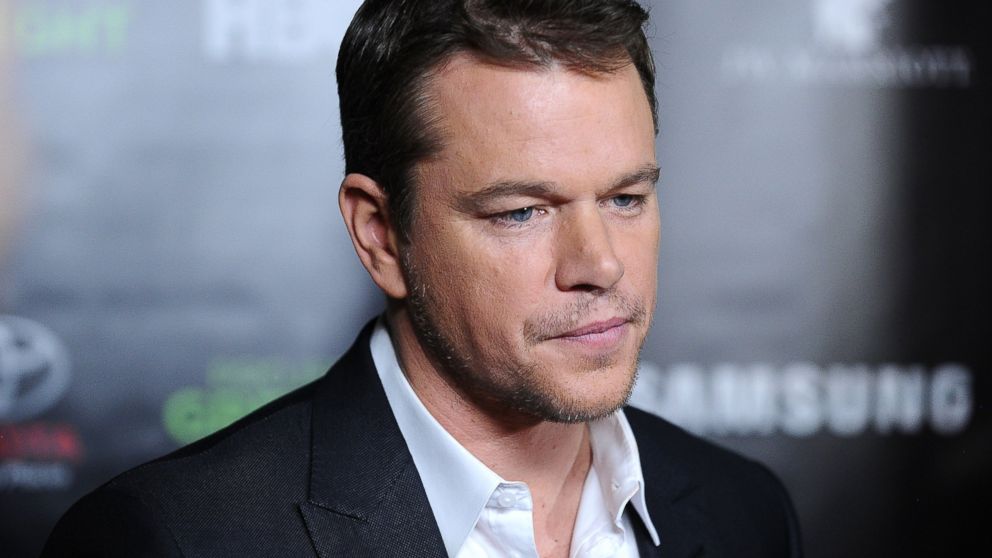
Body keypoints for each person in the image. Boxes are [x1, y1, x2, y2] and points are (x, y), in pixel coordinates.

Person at [43, 1, 803, 556]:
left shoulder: (746, 512)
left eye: (626, 198)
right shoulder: (174, 539)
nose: (600, 265)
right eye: (521, 212)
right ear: (381, 235)